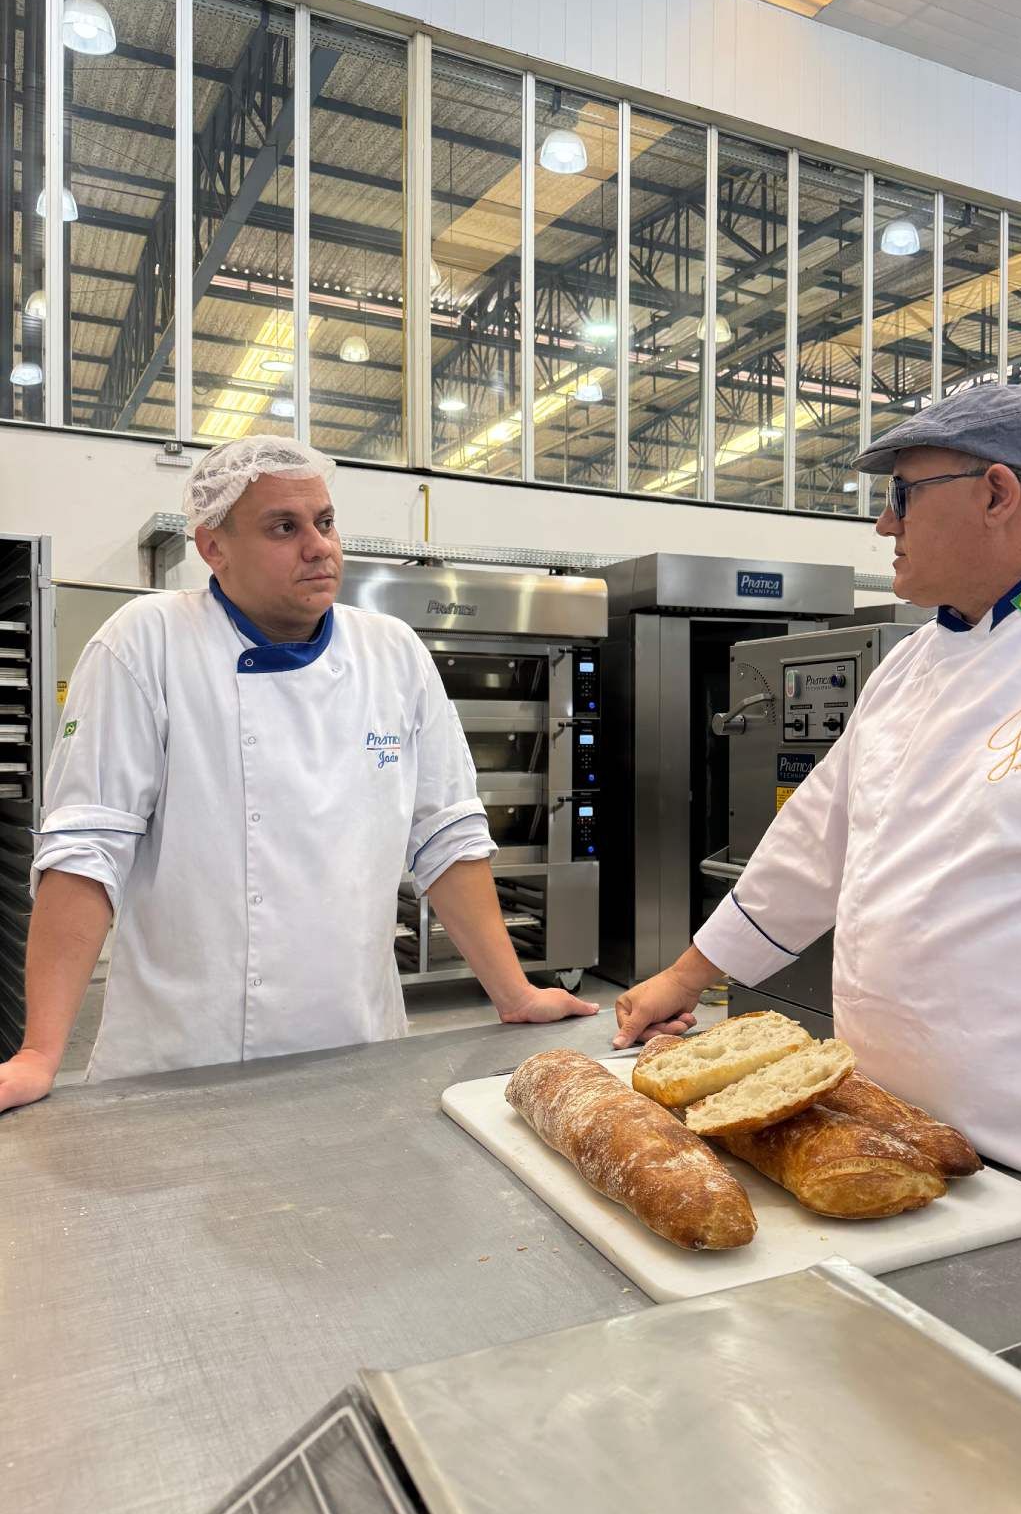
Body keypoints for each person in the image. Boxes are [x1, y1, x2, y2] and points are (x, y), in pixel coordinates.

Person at [614, 384, 1021, 1260]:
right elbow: (817, 842)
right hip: (906, 1158)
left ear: (997, 494)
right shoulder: (911, 665)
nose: (884, 526)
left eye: (900, 495)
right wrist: (690, 972)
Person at [0, 437, 596, 1110]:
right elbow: (85, 850)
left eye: (325, 521)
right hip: (185, 1060)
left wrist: (513, 994)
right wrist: (41, 1051)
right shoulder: (145, 642)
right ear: (212, 547)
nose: (319, 545)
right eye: (284, 526)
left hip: (359, 1046)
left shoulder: (392, 652)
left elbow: (448, 839)